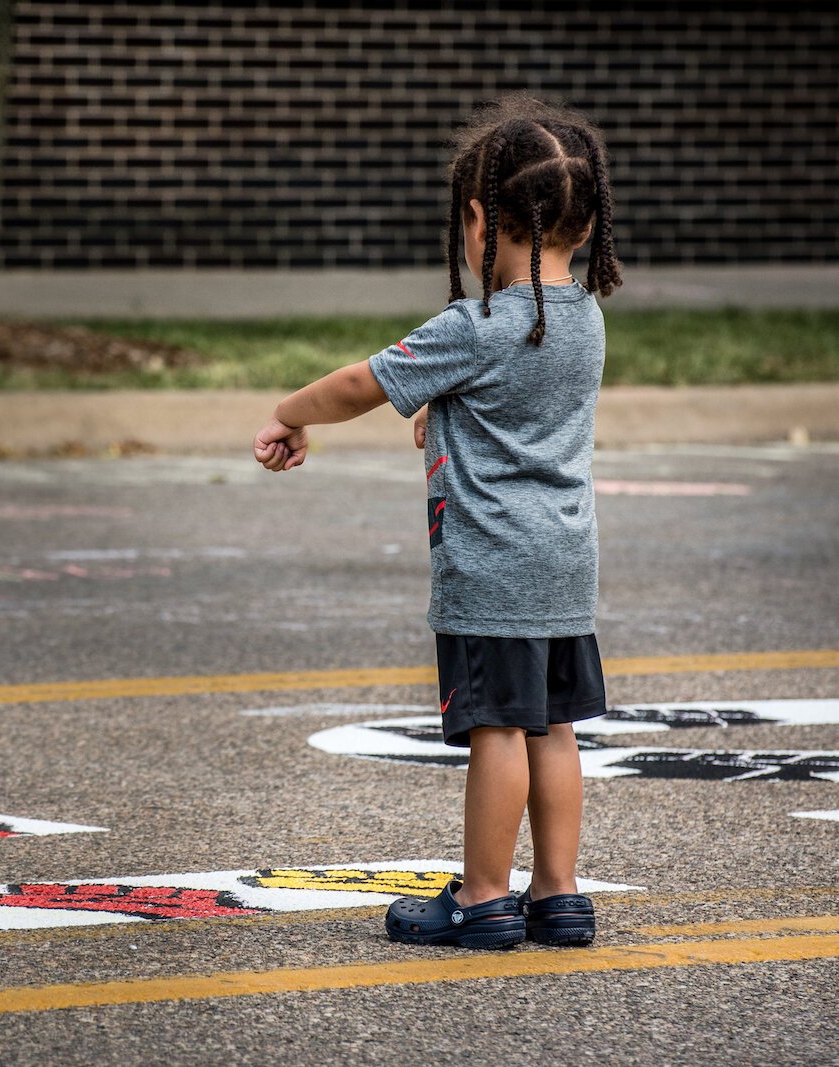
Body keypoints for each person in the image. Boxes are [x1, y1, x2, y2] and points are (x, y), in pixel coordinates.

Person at [252, 95, 624, 949]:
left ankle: (485, 897)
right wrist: (449, 418)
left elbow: (361, 382)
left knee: (495, 729)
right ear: (587, 222)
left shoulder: (482, 323)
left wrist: (289, 411)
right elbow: (521, 411)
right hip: (566, 565)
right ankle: (559, 895)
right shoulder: (585, 321)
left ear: (478, 219)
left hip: (492, 567)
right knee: (553, 729)